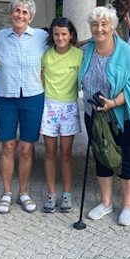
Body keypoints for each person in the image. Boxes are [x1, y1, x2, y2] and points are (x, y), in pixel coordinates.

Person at [79, 5, 130, 226]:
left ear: (113, 27)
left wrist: (114, 103)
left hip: (121, 116)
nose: (99, 29)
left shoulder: (126, 52)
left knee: (125, 159)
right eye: (95, 24)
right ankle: (106, 202)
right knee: (101, 157)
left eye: (104, 24)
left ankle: (128, 204)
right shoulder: (87, 49)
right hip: (94, 114)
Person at [0, 0, 49, 214]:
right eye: (17, 11)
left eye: (24, 12)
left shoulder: (42, 36)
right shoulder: (2, 37)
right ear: (11, 13)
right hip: (6, 95)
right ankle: (6, 193)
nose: (20, 15)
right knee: (8, 146)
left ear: (30, 16)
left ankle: (23, 192)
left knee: (25, 148)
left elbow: (65, 43)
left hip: (33, 96)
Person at [40, 17, 83, 213]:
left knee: (66, 154)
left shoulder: (79, 55)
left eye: (64, 34)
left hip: (69, 107)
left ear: (71, 35)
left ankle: (66, 193)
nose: (60, 37)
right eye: (56, 34)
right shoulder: (46, 55)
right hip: (49, 106)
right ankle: (51, 193)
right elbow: (40, 80)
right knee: (49, 153)